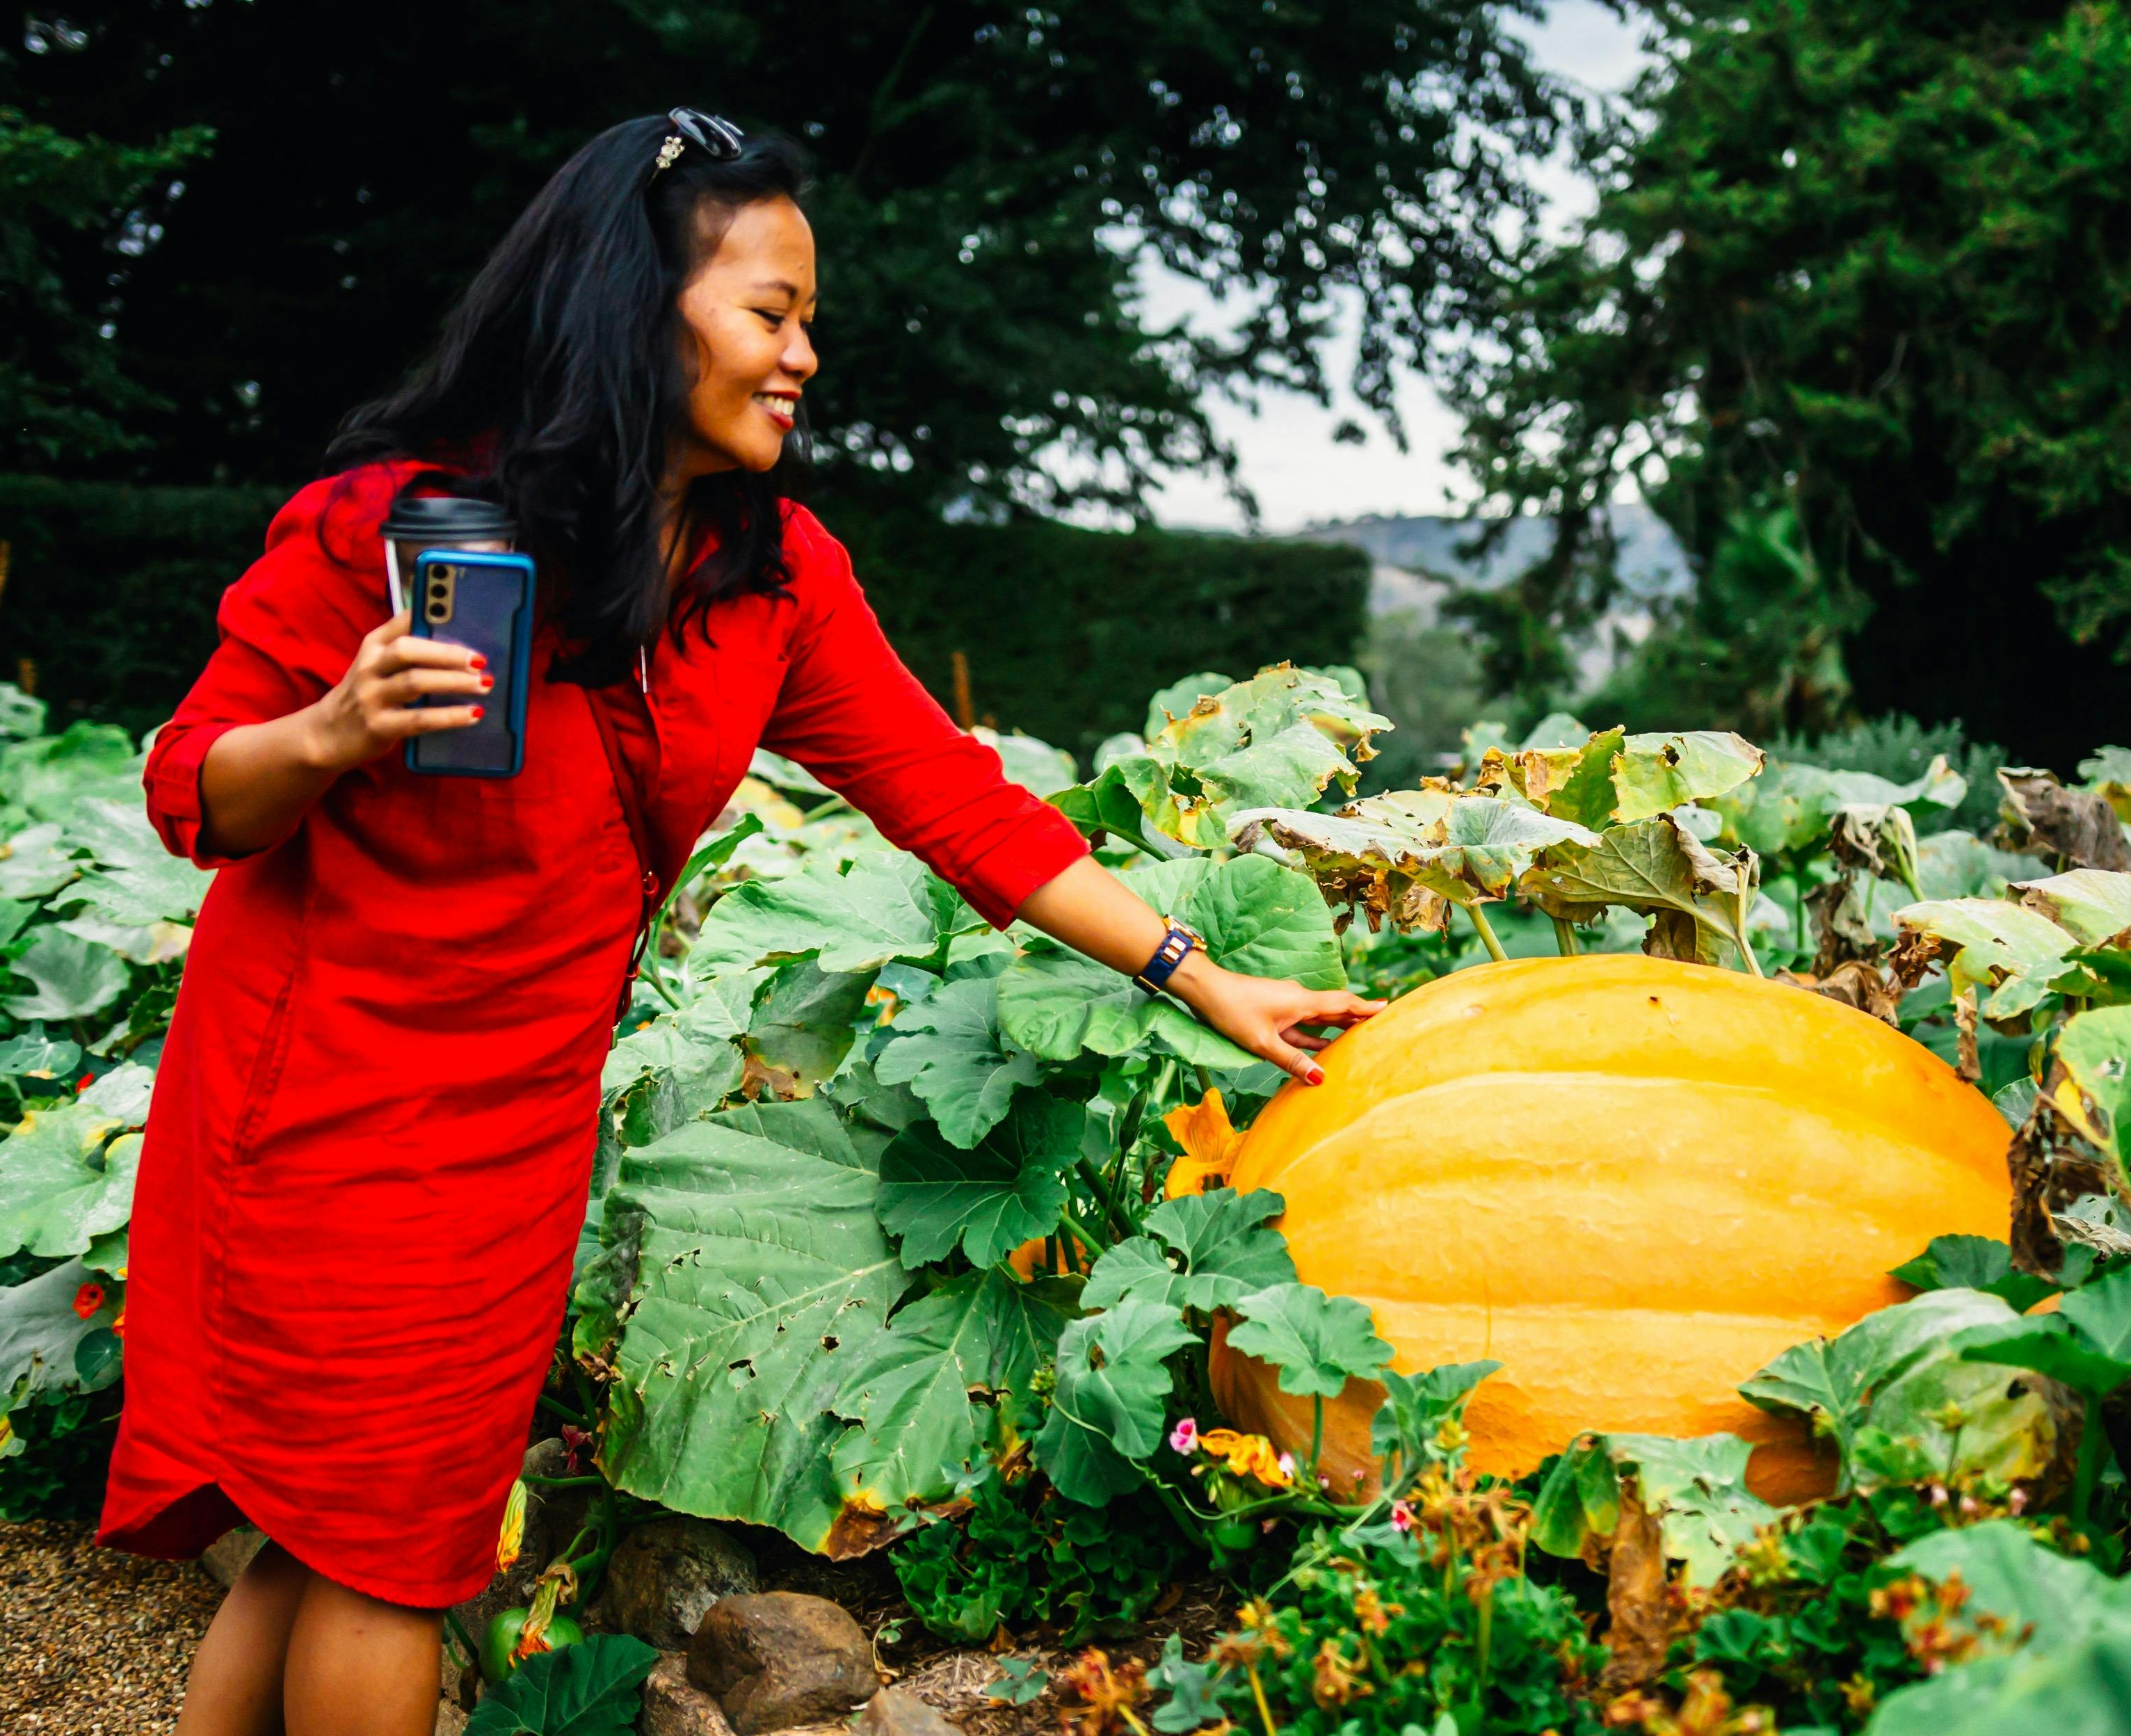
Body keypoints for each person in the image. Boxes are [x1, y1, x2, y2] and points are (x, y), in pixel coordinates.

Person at [102, 110, 1382, 1736]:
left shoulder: (767, 576)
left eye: (807, 321)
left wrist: (1199, 972)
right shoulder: (390, 529)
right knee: (383, 1552)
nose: (804, 356)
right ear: (640, 313)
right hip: (323, 1103)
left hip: (518, 1124)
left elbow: (952, 796)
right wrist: (332, 730)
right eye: (771, 314)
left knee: (315, 1540)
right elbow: (192, 793)